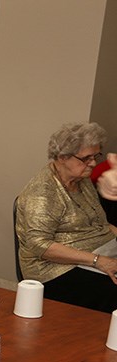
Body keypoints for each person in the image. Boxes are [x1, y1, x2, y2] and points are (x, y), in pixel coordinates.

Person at [16, 123, 117, 313]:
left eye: (96, 156)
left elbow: (102, 225)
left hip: (97, 253)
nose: (94, 163)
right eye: (86, 158)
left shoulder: (82, 181)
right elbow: (40, 245)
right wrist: (100, 261)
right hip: (55, 269)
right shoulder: (43, 192)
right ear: (62, 157)